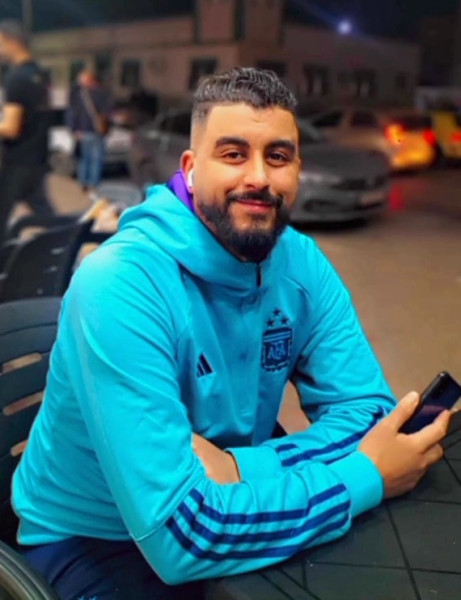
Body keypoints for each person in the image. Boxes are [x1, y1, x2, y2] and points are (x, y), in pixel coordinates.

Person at [12, 68, 450, 600]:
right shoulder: (120, 284)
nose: (259, 177)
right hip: (96, 540)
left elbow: (369, 414)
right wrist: (365, 477)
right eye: (234, 154)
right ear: (191, 168)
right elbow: (183, 537)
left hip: (241, 499)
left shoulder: (301, 263)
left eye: (278, 156)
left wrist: (242, 467)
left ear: (297, 169)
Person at [0, 20, 54, 246]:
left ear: (12, 42)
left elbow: (11, 129)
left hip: (18, 161)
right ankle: (67, 243)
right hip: (38, 156)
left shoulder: (16, 78)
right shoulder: (40, 74)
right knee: (44, 211)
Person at [67, 67, 111, 196]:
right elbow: (107, 112)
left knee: (84, 158)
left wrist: (74, 130)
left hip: (84, 131)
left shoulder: (77, 94)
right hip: (98, 131)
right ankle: (93, 185)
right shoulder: (103, 93)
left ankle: (83, 184)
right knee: (96, 160)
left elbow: (72, 113)